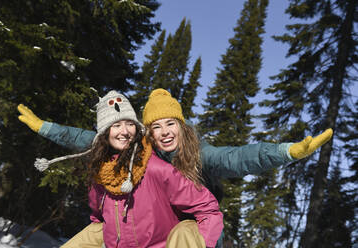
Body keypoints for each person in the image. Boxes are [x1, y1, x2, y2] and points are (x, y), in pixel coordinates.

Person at [17, 88, 333, 248]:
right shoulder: (140, 152)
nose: (165, 131)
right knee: (99, 230)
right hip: (156, 233)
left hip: (197, 234)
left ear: (182, 127)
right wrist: (45, 127)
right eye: (157, 126)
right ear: (148, 132)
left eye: (171, 124)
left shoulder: (201, 156)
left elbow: (241, 157)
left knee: (184, 231)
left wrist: (288, 151)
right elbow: (90, 138)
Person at [32, 90, 223, 248]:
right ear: (105, 133)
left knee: (186, 229)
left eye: (130, 123)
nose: (124, 131)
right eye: (116, 125)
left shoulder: (156, 168)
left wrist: (203, 242)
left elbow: (208, 208)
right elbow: (98, 217)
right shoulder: (100, 174)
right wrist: (45, 128)